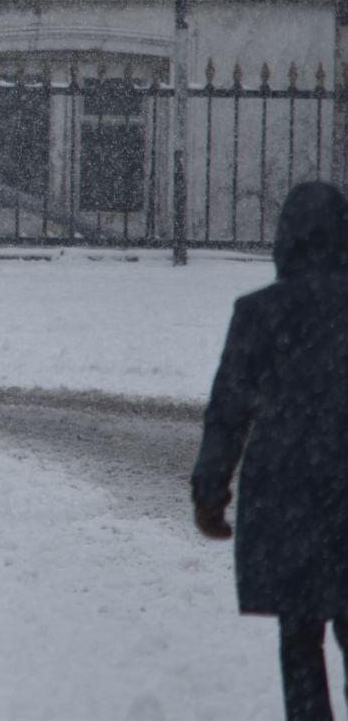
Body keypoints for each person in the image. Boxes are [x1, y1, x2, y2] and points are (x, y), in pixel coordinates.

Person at [193, 181, 348, 721]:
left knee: (299, 636)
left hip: (288, 491)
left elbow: (228, 411)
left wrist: (210, 494)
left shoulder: (260, 313)